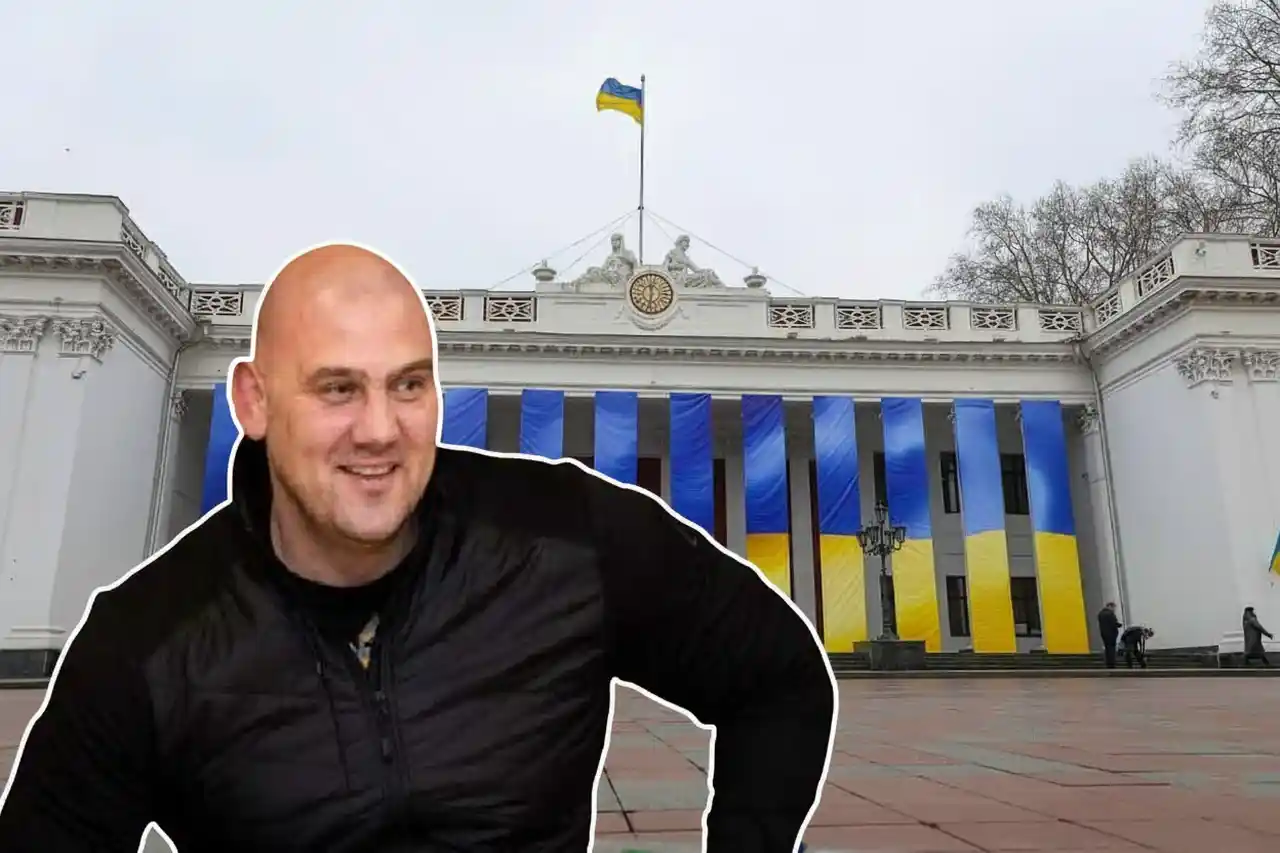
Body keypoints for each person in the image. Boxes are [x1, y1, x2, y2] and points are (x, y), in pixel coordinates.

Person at [0, 244, 837, 853]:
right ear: (253, 401)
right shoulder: (146, 642)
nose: (380, 430)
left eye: (408, 384)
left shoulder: (568, 538)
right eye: (337, 388)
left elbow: (779, 674)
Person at [1097, 602, 1120, 669]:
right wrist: (1119, 625)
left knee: (1107, 649)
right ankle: (1112, 664)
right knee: (1112, 650)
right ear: (1109, 606)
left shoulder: (1100, 614)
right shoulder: (1110, 614)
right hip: (1111, 635)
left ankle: (1108, 664)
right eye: (1113, 607)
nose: (1114, 609)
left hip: (1104, 634)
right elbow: (1114, 623)